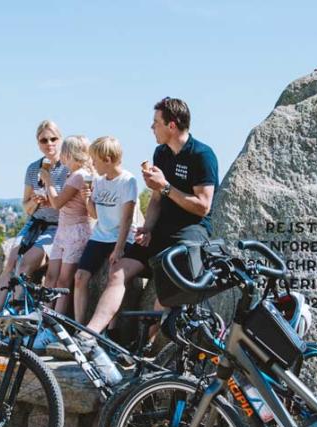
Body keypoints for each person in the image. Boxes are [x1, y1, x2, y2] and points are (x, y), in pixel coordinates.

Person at [79, 98, 218, 344]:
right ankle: (89, 334)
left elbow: (203, 207)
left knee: (166, 293)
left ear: (172, 125)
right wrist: (148, 227)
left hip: (189, 233)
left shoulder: (201, 155)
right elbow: (155, 199)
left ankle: (145, 349)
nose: (151, 127)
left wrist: (166, 187)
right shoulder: (161, 153)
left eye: (156, 122)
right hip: (160, 231)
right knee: (118, 271)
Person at [0, 120, 69, 343]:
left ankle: (8, 323)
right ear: (38, 143)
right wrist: (35, 201)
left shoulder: (68, 168)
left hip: (58, 226)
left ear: (61, 140)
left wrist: (50, 199)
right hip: (36, 221)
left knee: (24, 266)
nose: (49, 144)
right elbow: (26, 205)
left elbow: (69, 205)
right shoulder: (33, 169)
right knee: (11, 264)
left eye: (53, 139)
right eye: (44, 140)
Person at [73, 136, 140, 327]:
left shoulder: (128, 181)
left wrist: (119, 248)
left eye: (95, 160)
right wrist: (87, 199)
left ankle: (110, 330)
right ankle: (79, 326)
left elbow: (127, 218)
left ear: (107, 160)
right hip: (100, 236)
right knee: (80, 277)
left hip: (121, 237)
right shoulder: (99, 181)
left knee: (113, 280)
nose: (92, 164)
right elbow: (95, 215)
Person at [40, 135, 95, 315]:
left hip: (75, 232)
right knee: (51, 276)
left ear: (69, 154)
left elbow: (58, 203)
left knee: (63, 281)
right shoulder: (76, 174)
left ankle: (56, 320)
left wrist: (48, 180)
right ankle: (45, 315)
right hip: (64, 230)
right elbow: (66, 202)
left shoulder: (79, 175)